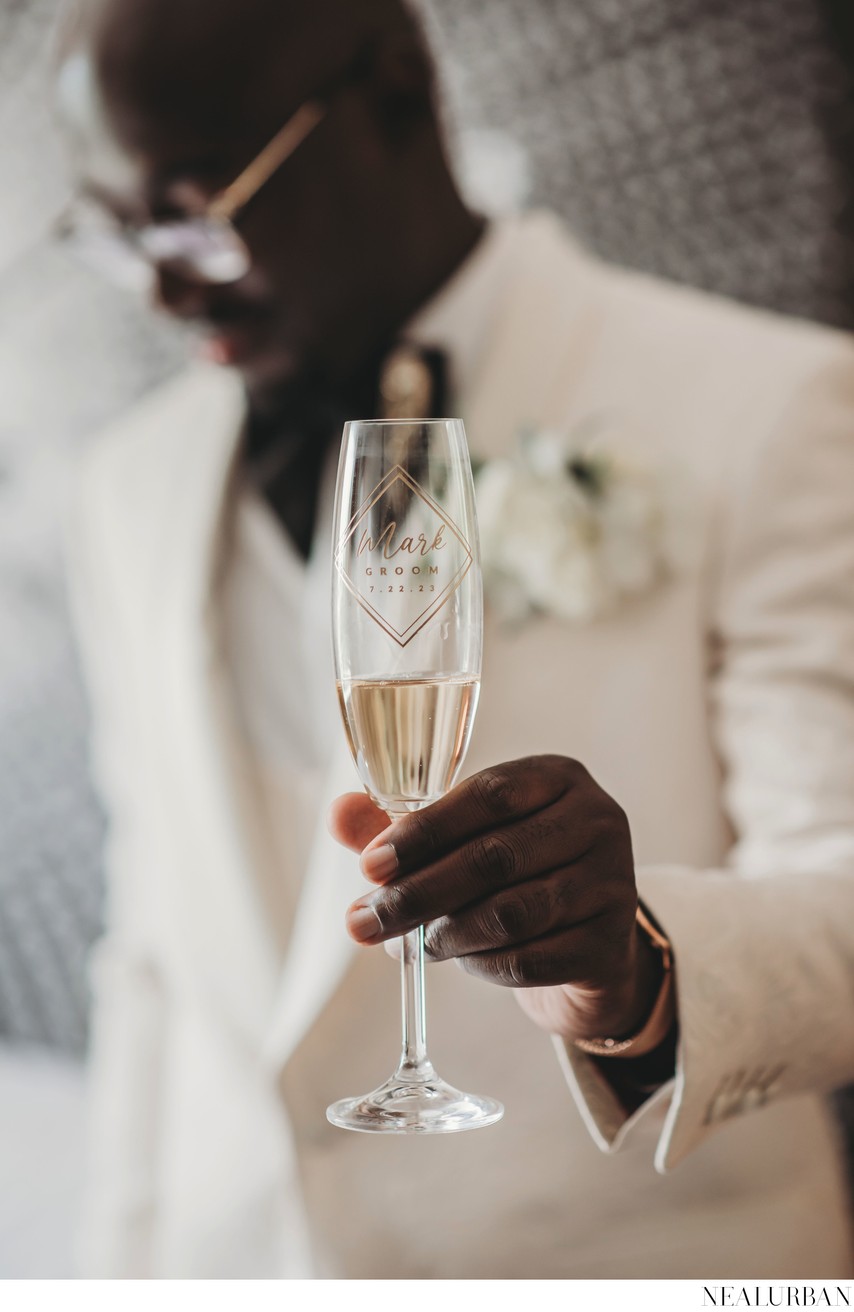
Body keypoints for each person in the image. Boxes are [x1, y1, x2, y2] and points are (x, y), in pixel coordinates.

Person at [57, 0, 854, 1279]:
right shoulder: (125, 488)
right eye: (111, 231)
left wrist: (636, 962)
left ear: (385, 95)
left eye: (193, 209)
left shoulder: (769, 404)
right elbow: (152, 953)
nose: (156, 284)